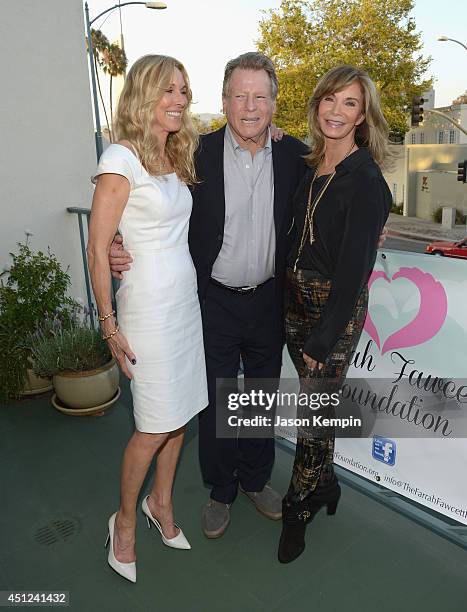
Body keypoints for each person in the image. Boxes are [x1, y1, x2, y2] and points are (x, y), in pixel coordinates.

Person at [110, 52, 310, 538]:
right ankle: (221, 490)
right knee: (216, 400)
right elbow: (136, 197)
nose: (249, 106)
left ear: (273, 103)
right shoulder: (192, 152)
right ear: (224, 101)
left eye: (260, 96)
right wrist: (117, 243)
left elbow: (337, 194)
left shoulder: (295, 155)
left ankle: (257, 481)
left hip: (267, 299)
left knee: (260, 395)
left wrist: (372, 229)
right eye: (239, 95)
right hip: (210, 299)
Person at [87, 55, 208, 582]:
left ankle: (163, 503)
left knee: (180, 415)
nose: (179, 100)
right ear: (143, 95)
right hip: (148, 310)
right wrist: (109, 326)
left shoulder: (174, 152)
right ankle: (125, 522)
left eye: (183, 90)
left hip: (184, 303)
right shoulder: (121, 157)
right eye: (167, 91)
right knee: (151, 425)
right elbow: (97, 249)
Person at [277, 65, 392, 564]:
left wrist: (324, 339)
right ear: (317, 105)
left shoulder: (366, 180)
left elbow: (353, 276)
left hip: (334, 314)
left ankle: (296, 505)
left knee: (313, 415)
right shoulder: (310, 163)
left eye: (349, 103)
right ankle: (327, 486)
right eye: (330, 100)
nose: (336, 111)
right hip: (293, 306)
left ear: (363, 114)